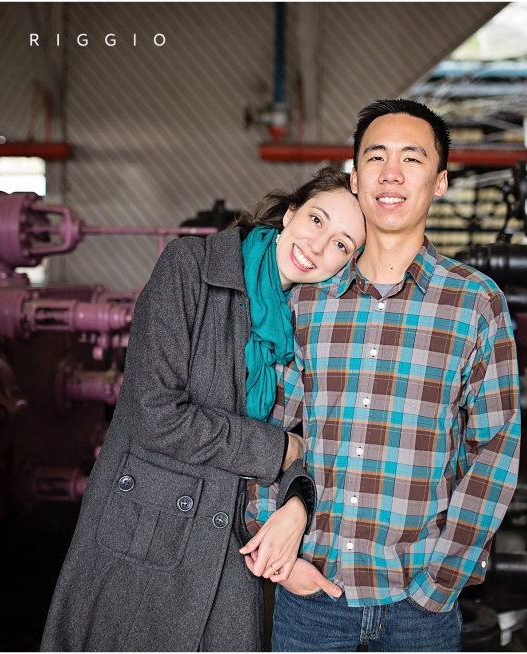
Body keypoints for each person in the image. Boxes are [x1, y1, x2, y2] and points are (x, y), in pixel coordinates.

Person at [40, 167, 366, 652]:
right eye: (317, 220)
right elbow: (157, 415)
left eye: (342, 245)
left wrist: (297, 506)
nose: (320, 248)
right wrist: (278, 449)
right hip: (143, 539)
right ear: (292, 211)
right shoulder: (191, 266)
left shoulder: (317, 321)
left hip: (232, 548)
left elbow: (318, 440)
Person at [247, 100, 521, 652]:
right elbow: (269, 426)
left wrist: (440, 581)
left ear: (440, 181)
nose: (391, 173)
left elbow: (494, 449)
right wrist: (277, 552)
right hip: (312, 598)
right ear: (355, 176)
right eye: (376, 156)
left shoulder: (475, 303)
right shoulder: (305, 301)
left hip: (419, 606)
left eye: (411, 158)